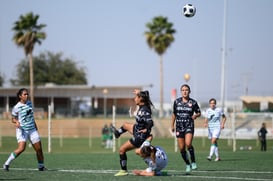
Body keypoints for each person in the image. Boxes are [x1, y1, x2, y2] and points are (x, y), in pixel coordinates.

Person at [111, 89, 154, 176]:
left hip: (140, 137)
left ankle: (123, 170)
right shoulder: (143, 106)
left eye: (136, 97)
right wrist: (139, 93)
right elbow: (144, 96)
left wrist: (146, 129)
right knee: (125, 125)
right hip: (137, 130)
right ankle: (117, 133)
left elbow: (150, 122)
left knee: (122, 150)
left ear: (140, 99)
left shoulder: (144, 111)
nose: (134, 99)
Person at [3, 88, 47, 171]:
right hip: (22, 130)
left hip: (32, 129)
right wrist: (16, 122)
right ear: (20, 96)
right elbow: (13, 118)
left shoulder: (30, 103)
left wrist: (36, 128)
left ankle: (41, 166)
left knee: (39, 149)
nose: (27, 95)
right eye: (25, 94)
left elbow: (31, 117)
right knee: (21, 149)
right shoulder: (16, 107)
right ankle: (6, 164)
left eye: (27, 94)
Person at [171, 84, 201, 174]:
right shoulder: (176, 102)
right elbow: (174, 114)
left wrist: (195, 115)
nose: (185, 91)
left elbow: (199, 112)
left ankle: (193, 161)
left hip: (189, 125)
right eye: (183, 90)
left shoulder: (193, 102)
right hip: (179, 126)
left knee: (188, 144)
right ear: (181, 92)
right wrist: (172, 125)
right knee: (182, 148)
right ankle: (188, 164)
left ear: (189, 91)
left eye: (186, 90)